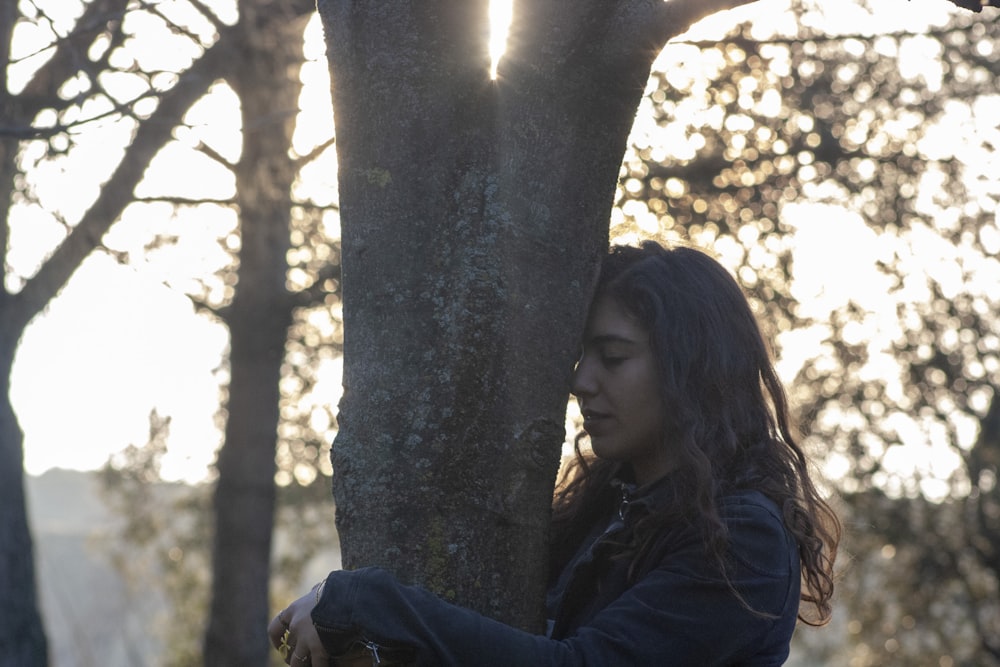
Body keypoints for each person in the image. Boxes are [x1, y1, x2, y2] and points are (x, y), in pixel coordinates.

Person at [268, 241, 841, 666]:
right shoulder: (611, 505)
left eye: (612, 358)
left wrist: (366, 602)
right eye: (581, 355)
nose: (581, 382)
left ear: (690, 371)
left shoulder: (744, 540)